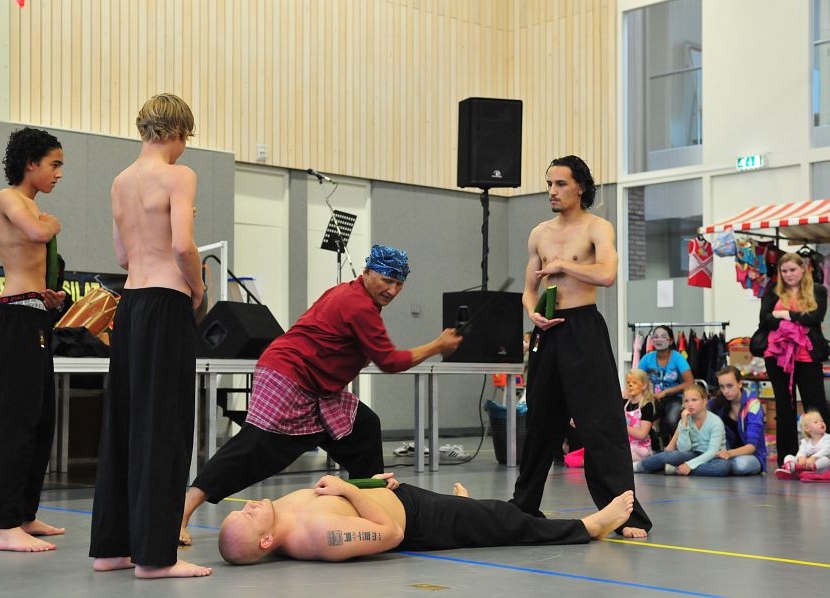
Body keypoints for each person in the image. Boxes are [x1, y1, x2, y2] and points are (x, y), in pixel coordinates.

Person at [179, 244, 464, 545]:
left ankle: (371, 508)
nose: (392, 290)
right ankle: (180, 514)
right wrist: (437, 346)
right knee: (252, 446)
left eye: (399, 284)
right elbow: (390, 361)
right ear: (367, 273)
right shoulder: (359, 306)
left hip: (316, 388)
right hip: (287, 376)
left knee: (363, 427)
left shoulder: (350, 295)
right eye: (386, 280)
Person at [88, 93, 212, 578]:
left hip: (131, 304)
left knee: (125, 424)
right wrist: (197, 288)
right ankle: (157, 557)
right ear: (178, 132)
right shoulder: (179, 175)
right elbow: (183, 245)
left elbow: (122, 256)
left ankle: (111, 548)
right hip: (165, 303)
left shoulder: (120, 181)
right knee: (164, 426)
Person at [511, 155, 651, 538]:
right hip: (547, 330)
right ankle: (523, 506)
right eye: (549, 184)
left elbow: (606, 274)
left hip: (583, 329)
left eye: (560, 184)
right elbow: (529, 290)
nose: (552, 191)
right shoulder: (539, 233)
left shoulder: (597, 227)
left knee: (601, 423)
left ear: (581, 188)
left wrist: (565, 266)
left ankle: (625, 514)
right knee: (539, 422)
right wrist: (533, 314)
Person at [217, 473, 636, 565]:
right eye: (248, 517)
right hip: (419, 522)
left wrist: (366, 483)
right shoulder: (318, 537)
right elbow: (391, 533)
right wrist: (351, 491)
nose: (249, 506)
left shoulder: (280, 513)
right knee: (503, 520)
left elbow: (341, 499)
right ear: (266, 542)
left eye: (242, 508)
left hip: (402, 497)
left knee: (485, 514)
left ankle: (466, 507)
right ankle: (588, 527)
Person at [0, 127, 67, 552]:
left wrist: (50, 296)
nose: (58, 174)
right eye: (53, 164)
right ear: (30, 163)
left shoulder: (33, 208)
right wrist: (50, 223)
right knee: (15, 423)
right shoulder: (8, 199)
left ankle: (24, 514)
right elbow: (38, 233)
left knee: (40, 421)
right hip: (16, 318)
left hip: (37, 315)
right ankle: (3, 526)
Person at [760, 252, 830, 467]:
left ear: (803, 269)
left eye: (793, 269)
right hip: (777, 356)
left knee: (815, 406)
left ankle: (824, 455)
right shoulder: (773, 290)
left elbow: (814, 317)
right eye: (784, 271)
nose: (789, 274)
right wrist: (797, 319)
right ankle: (787, 458)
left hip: (807, 356)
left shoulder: (817, 290)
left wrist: (785, 315)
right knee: (784, 407)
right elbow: (765, 320)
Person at [636, 384, 729, 476]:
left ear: (704, 401)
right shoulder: (684, 420)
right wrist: (684, 424)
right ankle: (638, 466)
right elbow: (684, 449)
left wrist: (690, 465)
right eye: (686, 401)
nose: (690, 404)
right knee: (668, 456)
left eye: (694, 400)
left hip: (712, 457)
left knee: (722, 468)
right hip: (692, 454)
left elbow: (712, 452)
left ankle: (675, 470)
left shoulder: (715, 421)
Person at [637, 326, 694, 447]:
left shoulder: (678, 357)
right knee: (641, 418)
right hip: (652, 398)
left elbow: (690, 382)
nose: (659, 339)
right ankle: (652, 446)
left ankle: (675, 448)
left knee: (671, 420)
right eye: (655, 337)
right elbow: (637, 378)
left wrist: (665, 392)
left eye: (663, 337)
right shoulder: (647, 358)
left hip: (674, 398)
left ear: (671, 341)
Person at [709, 365, 766, 476]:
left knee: (740, 465)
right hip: (725, 452)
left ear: (740, 383)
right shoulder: (717, 402)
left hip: (751, 456)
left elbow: (751, 446)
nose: (725, 391)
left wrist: (729, 454)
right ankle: (719, 466)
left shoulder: (753, 405)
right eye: (722, 387)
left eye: (730, 386)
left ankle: (718, 466)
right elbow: (699, 410)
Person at [775, 411, 830, 479]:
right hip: (805, 463)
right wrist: (801, 457)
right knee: (788, 456)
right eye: (816, 422)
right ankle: (791, 468)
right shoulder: (805, 441)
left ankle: (801, 470)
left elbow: (826, 450)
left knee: (825, 460)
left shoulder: (828, 438)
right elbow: (801, 451)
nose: (821, 423)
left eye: (822, 421)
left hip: (819, 467)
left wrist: (813, 458)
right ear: (807, 428)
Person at [623, 369, 656, 463]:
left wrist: (622, 426)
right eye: (628, 382)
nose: (630, 385)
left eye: (634, 382)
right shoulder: (624, 403)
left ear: (644, 386)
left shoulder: (647, 406)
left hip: (641, 449)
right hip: (626, 445)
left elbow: (642, 434)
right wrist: (619, 398)